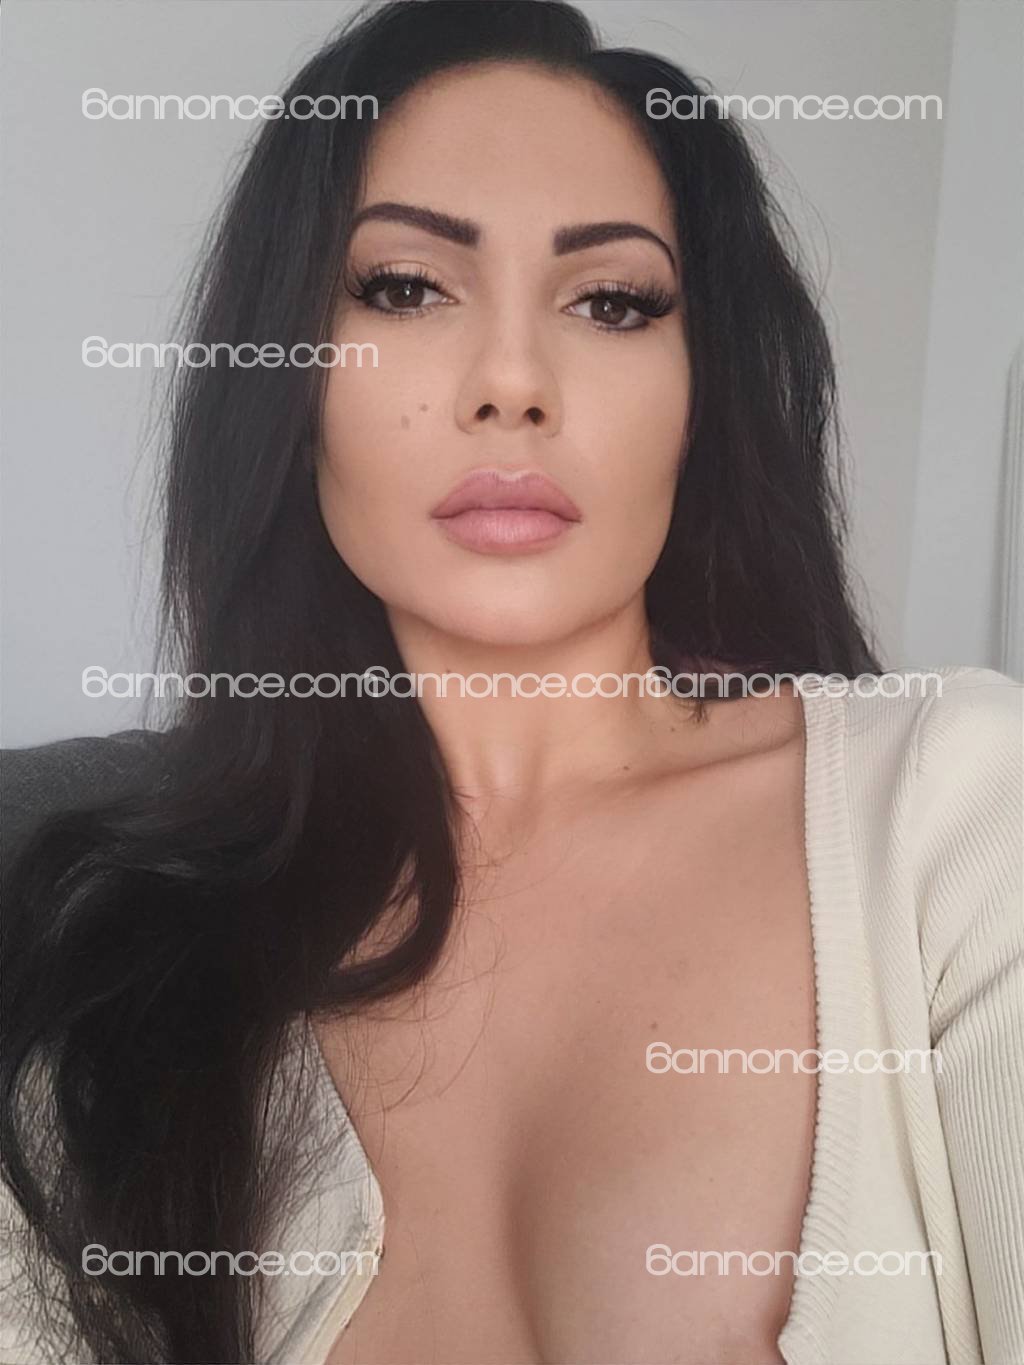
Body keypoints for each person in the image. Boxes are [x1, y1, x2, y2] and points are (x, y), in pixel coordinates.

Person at [2, 3, 1021, 1363]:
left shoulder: (958, 814)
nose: (512, 383)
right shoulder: (119, 967)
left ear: (698, 398)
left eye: (613, 302)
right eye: (406, 288)